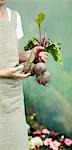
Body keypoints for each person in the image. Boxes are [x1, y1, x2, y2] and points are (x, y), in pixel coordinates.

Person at [0, 0, 48, 150]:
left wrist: (30, 54)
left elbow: (9, 54)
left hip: (12, 97)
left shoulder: (14, 17)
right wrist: (2, 73)